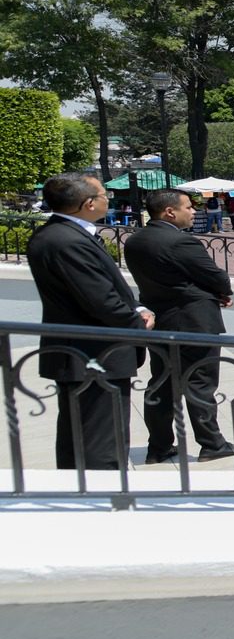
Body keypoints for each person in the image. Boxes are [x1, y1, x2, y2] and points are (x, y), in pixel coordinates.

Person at [25, 173, 155, 472]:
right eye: (103, 195)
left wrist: (137, 307)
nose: (107, 199)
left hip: (86, 352)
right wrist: (137, 324)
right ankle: (101, 502)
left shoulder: (63, 234)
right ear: (87, 203)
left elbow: (105, 289)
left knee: (83, 437)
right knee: (100, 443)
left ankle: (82, 496)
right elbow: (99, 300)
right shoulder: (65, 240)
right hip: (93, 354)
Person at [124, 187, 234, 463]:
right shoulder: (181, 242)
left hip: (160, 319)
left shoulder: (135, 241)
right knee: (200, 383)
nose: (194, 212)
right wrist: (218, 292)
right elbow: (216, 277)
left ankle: (158, 447)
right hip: (194, 321)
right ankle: (212, 444)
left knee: (160, 384)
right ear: (170, 211)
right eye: (188, 207)